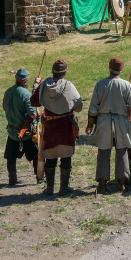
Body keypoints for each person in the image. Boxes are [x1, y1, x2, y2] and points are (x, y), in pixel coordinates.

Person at [85, 58, 131, 194]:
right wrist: (130, 112)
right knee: (122, 151)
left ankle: (102, 185)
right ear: (121, 70)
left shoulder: (100, 84)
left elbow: (93, 108)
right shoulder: (126, 85)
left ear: (109, 68)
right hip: (121, 121)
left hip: (103, 121)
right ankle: (122, 184)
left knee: (103, 152)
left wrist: (90, 124)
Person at [31, 60, 83, 196]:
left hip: (51, 127)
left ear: (52, 71)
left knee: (51, 157)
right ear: (64, 72)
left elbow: (34, 101)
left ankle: (50, 189)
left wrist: (36, 86)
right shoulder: (69, 86)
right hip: (65, 127)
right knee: (66, 157)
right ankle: (64, 188)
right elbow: (78, 107)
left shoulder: (44, 86)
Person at [2, 68, 39, 187]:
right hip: (26, 132)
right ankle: (39, 178)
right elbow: (33, 114)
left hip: (12, 130)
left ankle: (12, 180)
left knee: (11, 157)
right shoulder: (26, 94)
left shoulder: (8, 92)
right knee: (35, 155)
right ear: (26, 79)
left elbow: (4, 107)